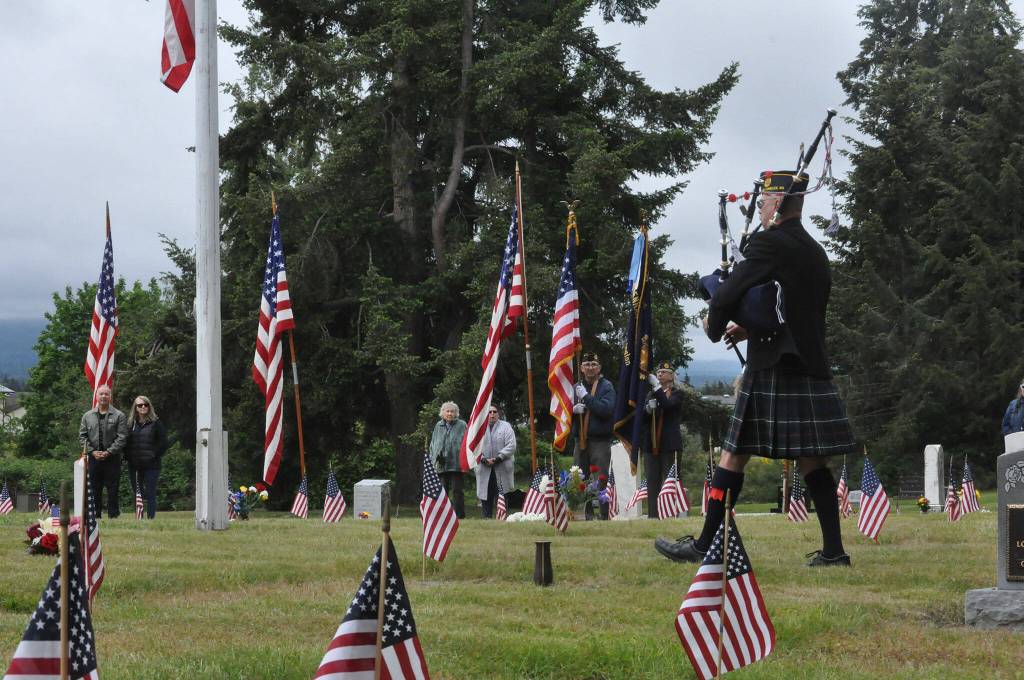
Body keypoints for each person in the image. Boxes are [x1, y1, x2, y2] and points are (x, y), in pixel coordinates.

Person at [656, 169, 856, 567]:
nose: (760, 207)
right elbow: (794, 312)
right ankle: (834, 551)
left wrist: (711, 298)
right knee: (812, 459)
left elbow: (730, 291)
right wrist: (752, 327)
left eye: (764, 201)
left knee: (732, 456)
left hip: (773, 368)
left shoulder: (770, 244)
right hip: (807, 364)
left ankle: (703, 545)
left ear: (779, 204)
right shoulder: (813, 252)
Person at [572, 352, 616, 519]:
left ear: (599, 368)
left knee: (601, 479)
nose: (590, 367)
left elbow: (606, 410)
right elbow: (563, 412)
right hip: (580, 440)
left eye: (593, 364)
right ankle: (584, 514)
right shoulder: (575, 386)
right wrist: (572, 410)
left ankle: (604, 516)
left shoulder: (606, 386)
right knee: (578, 479)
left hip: (600, 441)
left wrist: (586, 397)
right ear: (582, 368)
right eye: (587, 364)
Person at [640, 361, 685, 519]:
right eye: (659, 372)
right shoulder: (651, 394)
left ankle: (670, 514)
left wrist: (657, 389)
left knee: (670, 480)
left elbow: (667, 405)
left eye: (665, 372)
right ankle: (653, 515)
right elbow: (643, 419)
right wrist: (647, 410)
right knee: (652, 481)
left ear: (672, 376)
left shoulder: (677, 394)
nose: (660, 374)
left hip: (669, 444)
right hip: (651, 444)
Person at [78, 385, 129, 518]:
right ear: (96, 396)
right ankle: (95, 515)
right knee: (95, 488)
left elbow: (122, 437)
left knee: (113, 488)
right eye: (101, 394)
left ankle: (113, 515)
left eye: (106, 394)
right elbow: (82, 437)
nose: (104, 396)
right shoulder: (87, 416)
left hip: (112, 458)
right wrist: (92, 451)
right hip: (94, 458)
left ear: (110, 397)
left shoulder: (119, 415)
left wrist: (109, 452)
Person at [125, 395, 168, 519]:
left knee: (150, 492)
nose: (143, 407)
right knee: (137, 492)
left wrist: (154, 455)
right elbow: (125, 443)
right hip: (134, 465)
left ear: (149, 406)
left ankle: (151, 518)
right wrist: (128, 457)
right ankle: (139, 517)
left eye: (146, 404)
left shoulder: (156, 423)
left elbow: (164, 443)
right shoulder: (130, 424)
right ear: (136, 408)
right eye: (140, 405)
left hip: (152, 465)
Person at [474, 405, 516, 518]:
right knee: (486, 493)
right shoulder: (478, 427)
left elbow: (511, 445)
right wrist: (482, 458)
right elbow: (473, 446)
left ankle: (502, 517)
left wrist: (499, 458)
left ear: (498, 414)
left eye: (494, 411)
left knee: (502, 492)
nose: (492, 414)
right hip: (484, 466)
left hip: (502, 464)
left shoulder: (506, 426)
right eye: (489, 412)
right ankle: (487, 517)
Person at [430, 401, 468, 519]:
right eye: (447, 411)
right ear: (443, 412)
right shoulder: (438, 425)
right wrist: (433, 459)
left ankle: (459, 515)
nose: (450, 413)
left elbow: (467, 442)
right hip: (441, 464)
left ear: (456, 413)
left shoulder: (462, 424)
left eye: (452, 411)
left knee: (457, 491)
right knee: (442, 491)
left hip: (457, 463)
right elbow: (433, 443)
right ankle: (443, 516)